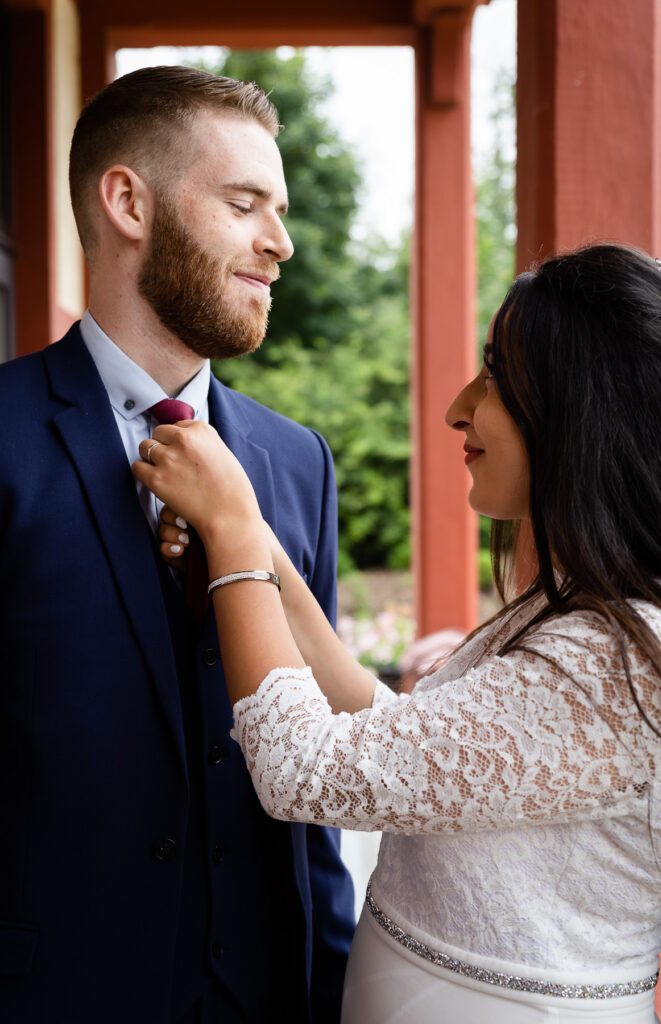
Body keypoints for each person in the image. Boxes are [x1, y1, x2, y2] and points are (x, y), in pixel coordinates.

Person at [136, 243, 661, 1024]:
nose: (460, 406)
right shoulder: (587, 612)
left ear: (582, 409)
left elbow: (306, 771)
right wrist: (257, 540)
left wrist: (228, 534)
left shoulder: (621, 663)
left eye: (494, 375)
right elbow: (394, 734)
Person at [0, 66, 355, 1023]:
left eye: (277, 211)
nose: (280, 243)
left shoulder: (297, 463)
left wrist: (331, 984)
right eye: (245, 204)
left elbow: (311, 782)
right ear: (128, 202)